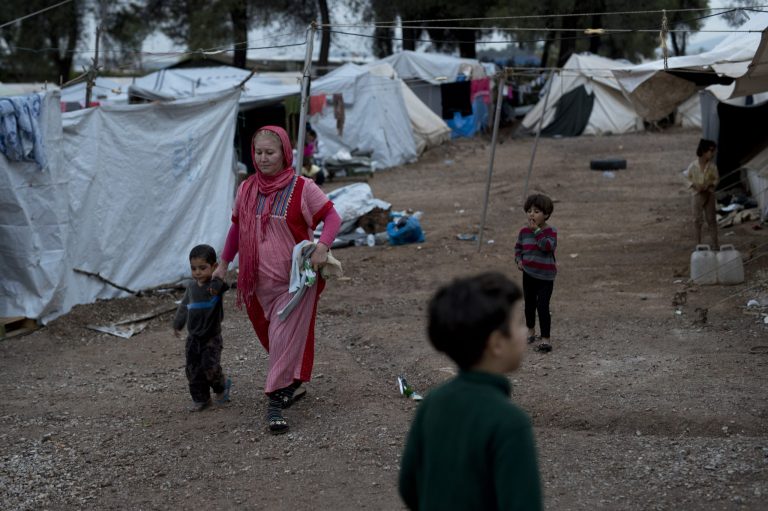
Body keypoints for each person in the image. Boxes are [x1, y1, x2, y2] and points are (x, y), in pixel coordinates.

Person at [212, 125, 341, 434]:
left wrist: (322, 247)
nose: (264, 158)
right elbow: (235, 229)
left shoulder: (302, 187)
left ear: (285, 153)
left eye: (270, 152)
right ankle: (292, 384)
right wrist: (224, 263)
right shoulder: (246, 189)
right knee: (274, 340)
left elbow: (333, 217)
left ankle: (274, 404)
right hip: (256, 283)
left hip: (295, 284)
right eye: (258, 152)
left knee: (282, 338)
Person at [399, 272, 542, 511]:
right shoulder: (509, 422)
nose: (525, 333)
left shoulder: (432, 403)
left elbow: (408, 486)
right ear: (497, 343)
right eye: (518, 324)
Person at [173, 244, 232, 412]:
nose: (197, 272)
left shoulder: (215, 287)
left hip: (211, 337)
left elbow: (224, 284)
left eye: (202, 268)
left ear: (213, 266)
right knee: (193, 369)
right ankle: (201, 399)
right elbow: (184, 307)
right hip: (193, 338)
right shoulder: (191, 288)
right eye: (193, 268)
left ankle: (221, 385)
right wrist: (178, 324)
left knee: (210, 368)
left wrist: (217, 278)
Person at [515, 194, 557, 352]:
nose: (532, 214)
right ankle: (530, 331)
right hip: (529, 273)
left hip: (545, 276)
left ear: (546, 214)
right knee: (529, 304)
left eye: (537, 211)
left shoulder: (550, 231)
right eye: (529, 211)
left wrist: (537, 231)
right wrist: (518, 260)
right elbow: (518, 248)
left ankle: (546, 339)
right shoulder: (524, 232)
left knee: (543, 306)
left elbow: (548, 247)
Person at [686, 139, 719, 249]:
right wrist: (695, 185)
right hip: (697, 195)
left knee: (711, 220)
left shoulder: (712, 167)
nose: (712, 153)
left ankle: (715, 244)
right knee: (697, 220)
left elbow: (716, 179)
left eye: (713, 151)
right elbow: (687, 178)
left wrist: (709, 184)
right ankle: (698, 244)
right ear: (704, 151)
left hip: (709, 194)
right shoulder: (693, 166)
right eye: (711, 150)